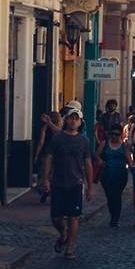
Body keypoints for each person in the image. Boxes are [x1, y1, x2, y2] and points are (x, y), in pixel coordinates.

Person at [42, 108, 94, 260]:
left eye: (76, 118)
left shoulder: (84, 141)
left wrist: (90, 186)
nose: (73, 121)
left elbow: (88, 163)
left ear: (80, 122)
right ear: (66, 120)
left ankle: (70, 246)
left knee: (74, 217)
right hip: (58, 182)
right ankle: (63, 232)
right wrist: (45, 179)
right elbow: (49, 158)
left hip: (76, 183)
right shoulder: (58, 138)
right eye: (71, 118)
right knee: (56, 217)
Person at [96, 123, 129, 227]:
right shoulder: (104, 144)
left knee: (117, 196)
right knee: (110, 196)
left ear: (120, 135)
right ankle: (112, 214)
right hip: (107, 175)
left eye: (117, 134)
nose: (114, 136)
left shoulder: (124, 146)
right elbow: (96, 155)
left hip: (121, 175)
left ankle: (115, 218)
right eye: (112, 134)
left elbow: (129, 160)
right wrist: (100, 161)